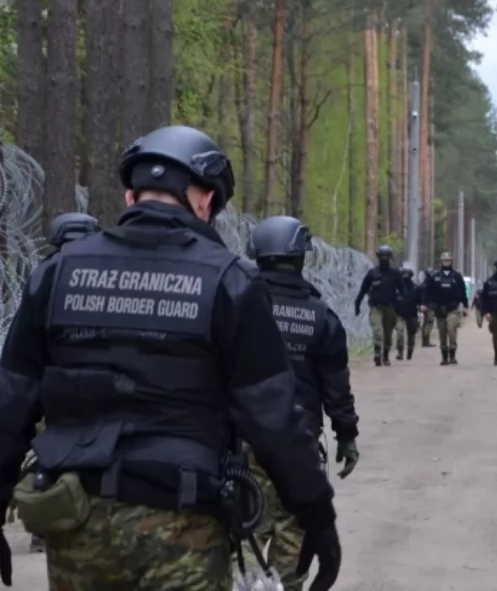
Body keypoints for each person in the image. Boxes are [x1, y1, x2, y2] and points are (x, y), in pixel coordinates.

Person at [0, 125, 340, 590]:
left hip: (76, 522)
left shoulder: (58, 273)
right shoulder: (229, 281)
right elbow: (273, 415)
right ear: (203, 202)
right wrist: (315, 513)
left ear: (130, 196)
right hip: (183, 522)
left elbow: (12, 401)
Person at [247, 215, 360, 591]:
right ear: (302, 257)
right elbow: (336, 389)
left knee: (238, 536)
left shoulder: (235, 303)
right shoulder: (321, 317)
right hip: (298, 446)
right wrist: (346, 436)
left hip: (239, 445)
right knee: (293, 542)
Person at [6, 212, 103, 556]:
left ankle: (44, 528)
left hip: (51, 389)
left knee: (49, 456)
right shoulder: (103, 275)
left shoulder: (47, 276)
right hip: (94, 393)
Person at [354, 245, 405, 366]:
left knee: (388, 333)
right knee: (377, 330)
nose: (384, 259)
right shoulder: (372, 274)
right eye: (382, 256)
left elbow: (403, 290)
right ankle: (377, 353)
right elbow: (363, 289)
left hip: (391, 307)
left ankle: (386, 355)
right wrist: (357, 304)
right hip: (376, 307)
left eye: (387, 256)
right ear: (378, 257)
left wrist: (401, 303)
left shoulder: (395, 273)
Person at [420, 252, 468, 366]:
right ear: (441, 262)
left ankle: (452, 354)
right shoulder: (435, 276)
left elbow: (463, 291)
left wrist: (465, 305)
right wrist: (424, 303)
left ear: (451, 261)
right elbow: (427, 290)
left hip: (453, 308)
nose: (446, 262)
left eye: (448, 260)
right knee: (442, 333)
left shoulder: (456, 276)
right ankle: (444, 357)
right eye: (444, 260)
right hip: (439, 309)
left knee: (451, 329)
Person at [393, 267, 422, 361]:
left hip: (412, 314)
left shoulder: (415, 288)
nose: (405, 277)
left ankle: (410, 351)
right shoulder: (396, 288)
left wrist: (421, 309)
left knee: (411, 334)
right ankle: (400, 352)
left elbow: (420, 301)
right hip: (399, 313)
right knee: (400, 332)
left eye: (407, 275)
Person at [418, 267, 436, 347]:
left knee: (426, 323)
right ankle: (426, 340)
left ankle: (425, 340)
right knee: (429, 322)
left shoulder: (424, 284)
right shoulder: (429, 284)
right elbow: (426, 296)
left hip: (426, 305)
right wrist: (424, 304)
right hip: (429, 305)